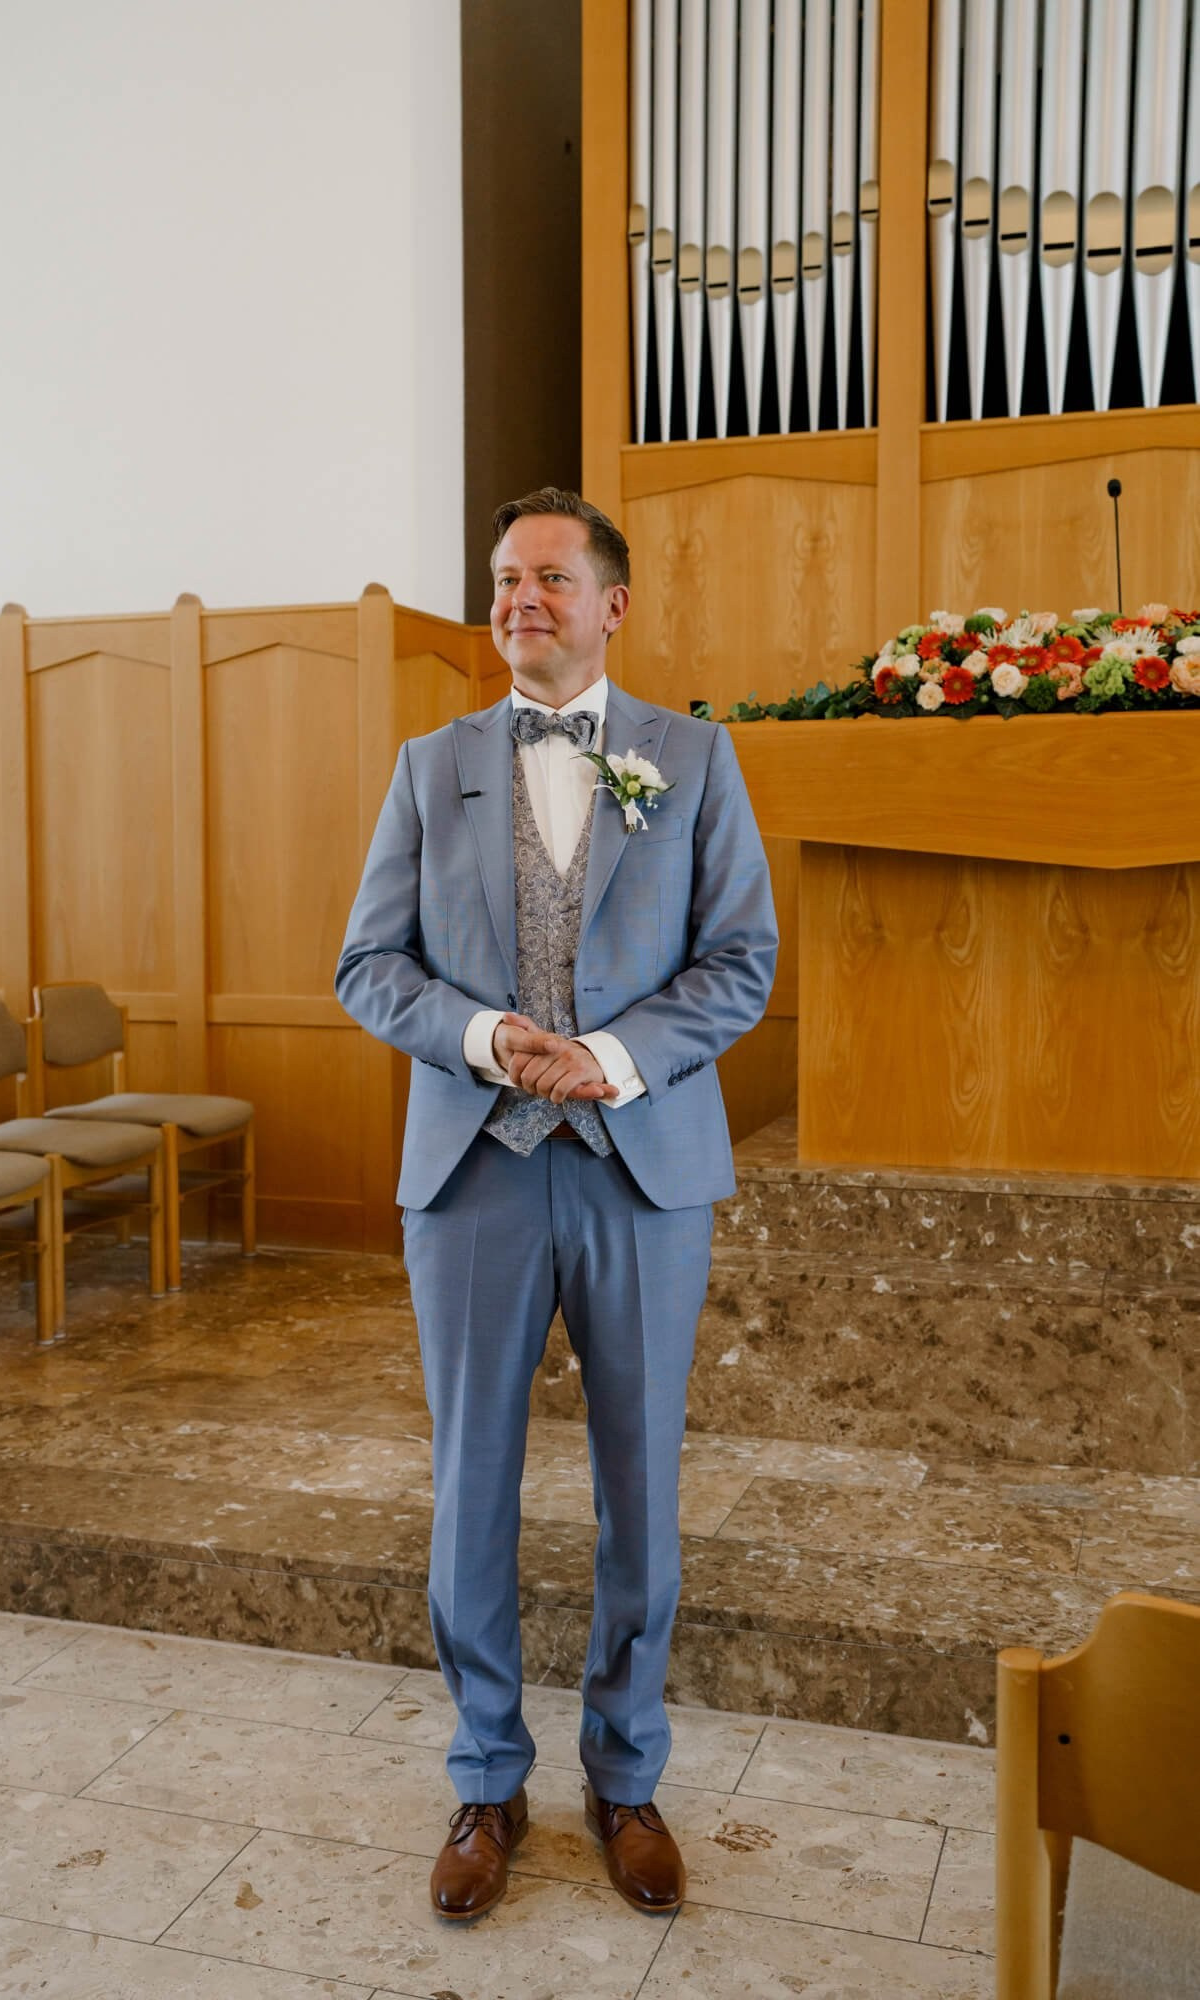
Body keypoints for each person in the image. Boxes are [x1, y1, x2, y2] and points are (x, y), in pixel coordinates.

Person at [335, 487, 777, 1921]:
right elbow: (368, 967)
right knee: (472, 1479)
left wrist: (610, 1055)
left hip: (641, 1173)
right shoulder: (427, 766)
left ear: (611, 605)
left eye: (547, 577)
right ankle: (483, 1779)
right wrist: (481, 1040)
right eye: (501, 579)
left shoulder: (694, 761)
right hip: (474, 1170)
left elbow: (738, 961)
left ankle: (627, 1774)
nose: (518, 596)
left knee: (639, 1485)